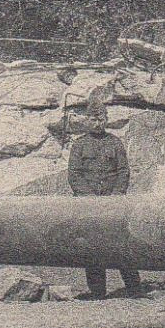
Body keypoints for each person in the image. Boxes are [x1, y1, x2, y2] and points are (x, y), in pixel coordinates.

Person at [65, 97, 143, 298]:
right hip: (88, 205)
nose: (97, 123)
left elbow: (123, 171)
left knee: (121, 245)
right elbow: (74, 174)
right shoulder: (79, 145)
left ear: (106, 120)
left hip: (113, 204)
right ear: (86, 121)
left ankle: (134, 289)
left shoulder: (115, 143)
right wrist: (89, 198)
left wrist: (116, 196)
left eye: (101, 119)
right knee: (91, 248)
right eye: (93, 119)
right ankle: (97, 291)